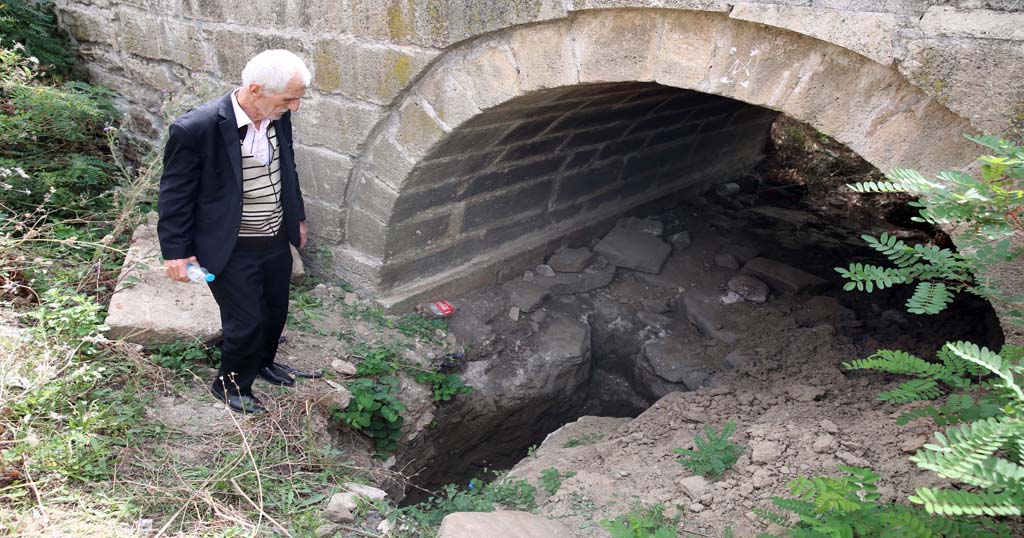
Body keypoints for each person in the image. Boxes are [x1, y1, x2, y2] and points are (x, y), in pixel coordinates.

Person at [158, 49, 320, 414]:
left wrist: (297, 217)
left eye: (297, 99)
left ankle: (262, 363)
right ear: (256, 89)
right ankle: (230, 384)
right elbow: (175, 195)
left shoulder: (276, 115)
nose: (295, 107)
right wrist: (176, 252)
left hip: (275, 236)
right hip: (229, 245)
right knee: (245, 319)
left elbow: (287, 167)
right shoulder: (195, 129)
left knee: (275, 309)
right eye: (289, 99)